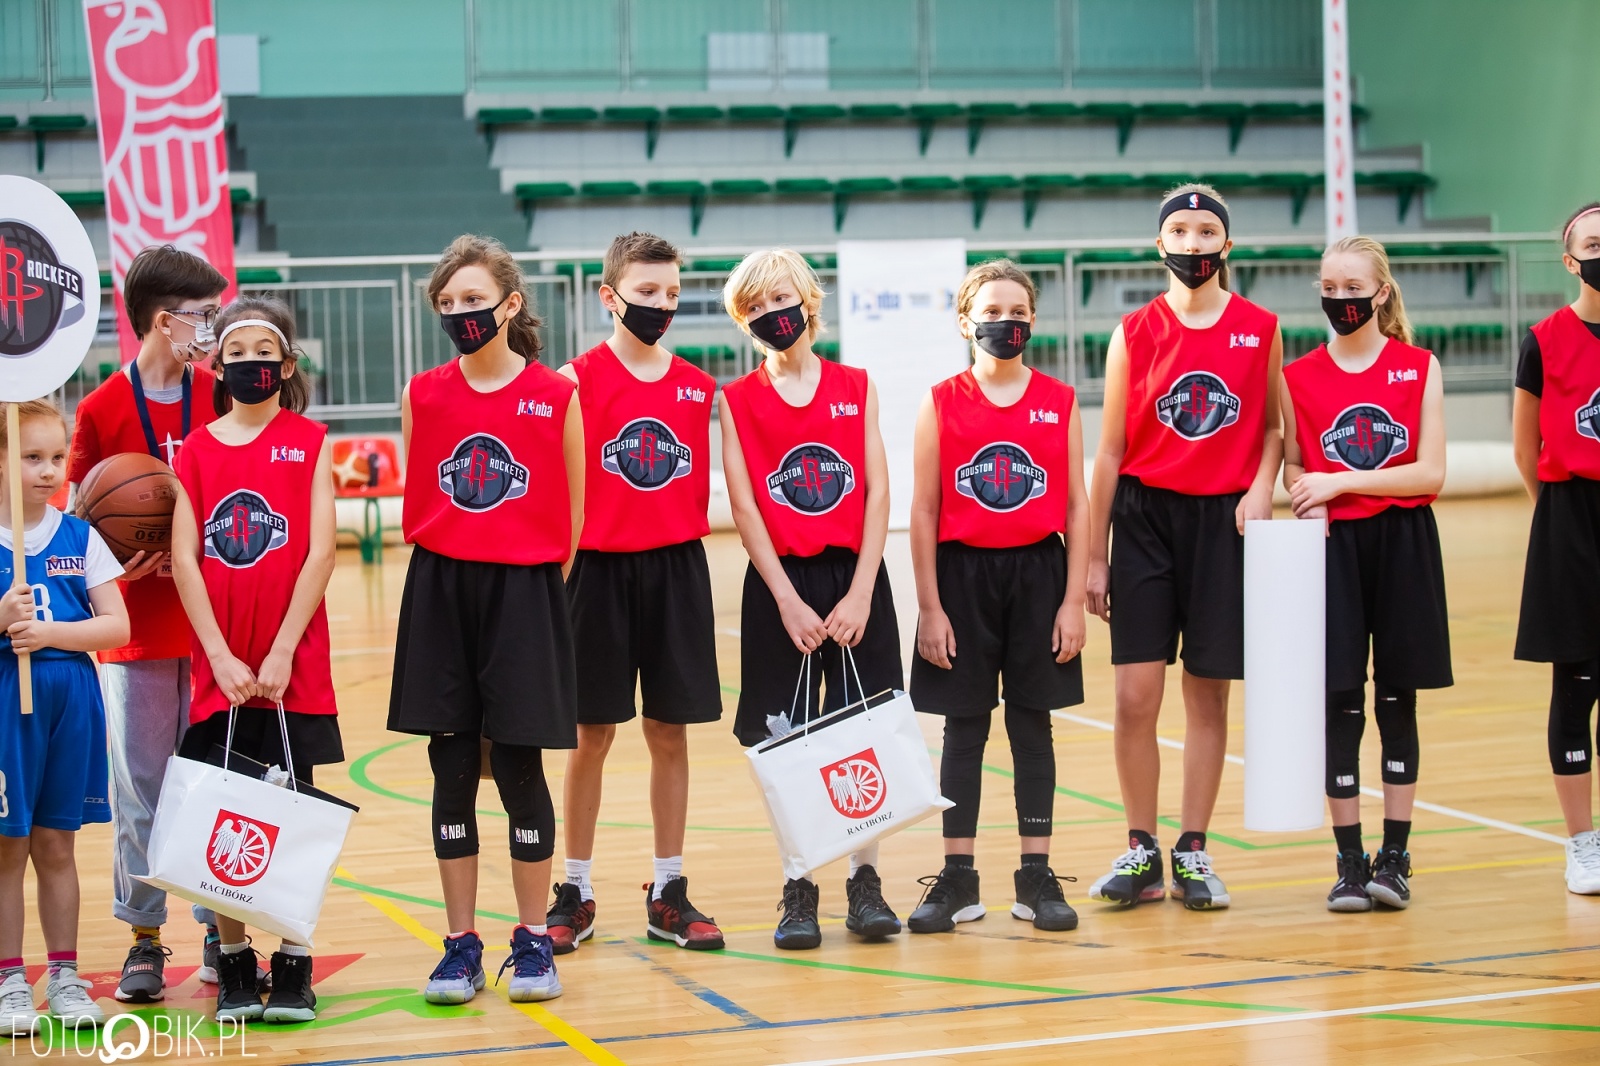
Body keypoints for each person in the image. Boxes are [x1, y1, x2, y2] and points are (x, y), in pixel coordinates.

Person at [388, 235, 582, 1003]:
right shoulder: (422, 393)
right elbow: (424, 496)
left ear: (509, 304)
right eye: (448, 303)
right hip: (441, 590)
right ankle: (461, 944)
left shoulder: (556, 394)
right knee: (452, 767)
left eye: (474, 300)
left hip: (525, 593)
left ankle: (533, 942)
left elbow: (571, 522)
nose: (461, 314)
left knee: (523, 768)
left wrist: (525, 585)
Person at [1086, 184, 1283, 910]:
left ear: (1225, 245)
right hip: (1142, 521)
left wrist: (1264, 485)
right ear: (1160, 244)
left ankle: (1193, 849)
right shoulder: (1133, 332)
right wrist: (1096, 554)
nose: (1194, 241)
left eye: (1207, 230)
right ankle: (1140, 847)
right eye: (1180, 228)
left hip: (1221, 524)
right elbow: (1108, 452)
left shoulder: (1260, 327)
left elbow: (1271, 428)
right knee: (1136, 696)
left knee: (1208, 693)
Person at [720, 248, 903, 949]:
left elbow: (876, 492)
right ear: (745, 320)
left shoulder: (856, 385)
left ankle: (865, 881)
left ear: (809, 299)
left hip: (854, 581)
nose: (774, 313)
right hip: (782, 589)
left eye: (781, 297)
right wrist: (788, 601)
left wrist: (860, 592)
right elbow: (745, 510)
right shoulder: (735, 400)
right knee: (784, 745)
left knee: (864, 735)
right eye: (756, 306)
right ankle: (800, 884)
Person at [548, 232, 724, 953]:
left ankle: (668, 888)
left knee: (669, 733)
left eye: (673, 294)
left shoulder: (697, 385)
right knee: (592, 736)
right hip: (597, 571)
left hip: (678, 569)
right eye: (647, 292)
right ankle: (576, 887)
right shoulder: (574, 381)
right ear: (610, 295)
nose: (661, 305)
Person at [906, 259, 1089, 934]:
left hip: (1040, 573)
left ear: (1032, 322)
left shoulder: (1059, 400)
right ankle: (958, 877)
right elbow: (924, 509)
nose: (1005, 322)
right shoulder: (942, 399)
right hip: (962, 576)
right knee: (964, 726)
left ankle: (1035, 875)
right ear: (966, 321)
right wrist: (930, 605)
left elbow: (1076, 503)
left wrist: (1073, 600)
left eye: (1017, 313)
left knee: (1032, 722)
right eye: (992, 312)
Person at [170, 295, 339, 1022]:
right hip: (224, 671)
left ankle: (295, 959)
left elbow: (320, 551)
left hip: (289, 665)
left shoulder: (310, 440)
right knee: (225, 820)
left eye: (261, 355)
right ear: (217, 366)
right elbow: (184, 558)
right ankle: (235, 960)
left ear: (286, 364)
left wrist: (278, 651)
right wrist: (220, 654)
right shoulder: (197, 450)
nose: (249, 367)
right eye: (235, 356)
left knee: (295, 816)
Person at [67, 244, 227, 1003]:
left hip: (214, 622)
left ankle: (218, 928)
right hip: (136, 627)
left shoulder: (223, 394)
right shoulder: (101, 408)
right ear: (166, 323)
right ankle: (143, 938)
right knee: (142, 788)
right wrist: (113, 560)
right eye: (202, 316)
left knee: (214, 781)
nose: (211, 328)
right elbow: (75, 524)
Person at [1282, 236, 1449, 912]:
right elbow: (1295, 467)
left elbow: (1430, 473)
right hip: (1335, 548)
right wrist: (1307, 492)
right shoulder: (1297, 376)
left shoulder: (1418, 366)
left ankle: (1396, 858)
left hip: (1404, 542)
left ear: (1380, 293)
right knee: (1340, 702)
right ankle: (1350, 862)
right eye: (1330, 287)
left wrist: (1339, 481)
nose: (1340, 300)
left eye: (1353, 288)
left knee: (1396, 699)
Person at [0, 400, 130, 1032]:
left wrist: (48, 631)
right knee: (7, 848)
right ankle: (7, 981)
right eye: (31, 458)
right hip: (6, 703)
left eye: (57, 458)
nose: (49, 471)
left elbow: (116, 624)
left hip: (71, 698)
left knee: (57, 846)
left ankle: (65, 975)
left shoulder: (81, 537)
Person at [1513, 201, 1600, 895]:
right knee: (1574, 686)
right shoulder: (1543, 339)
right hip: (1570, 517)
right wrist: (1558, 520)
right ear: (1570, 259)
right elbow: (1523, 446)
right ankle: (1582, 844)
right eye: (1593, 244)